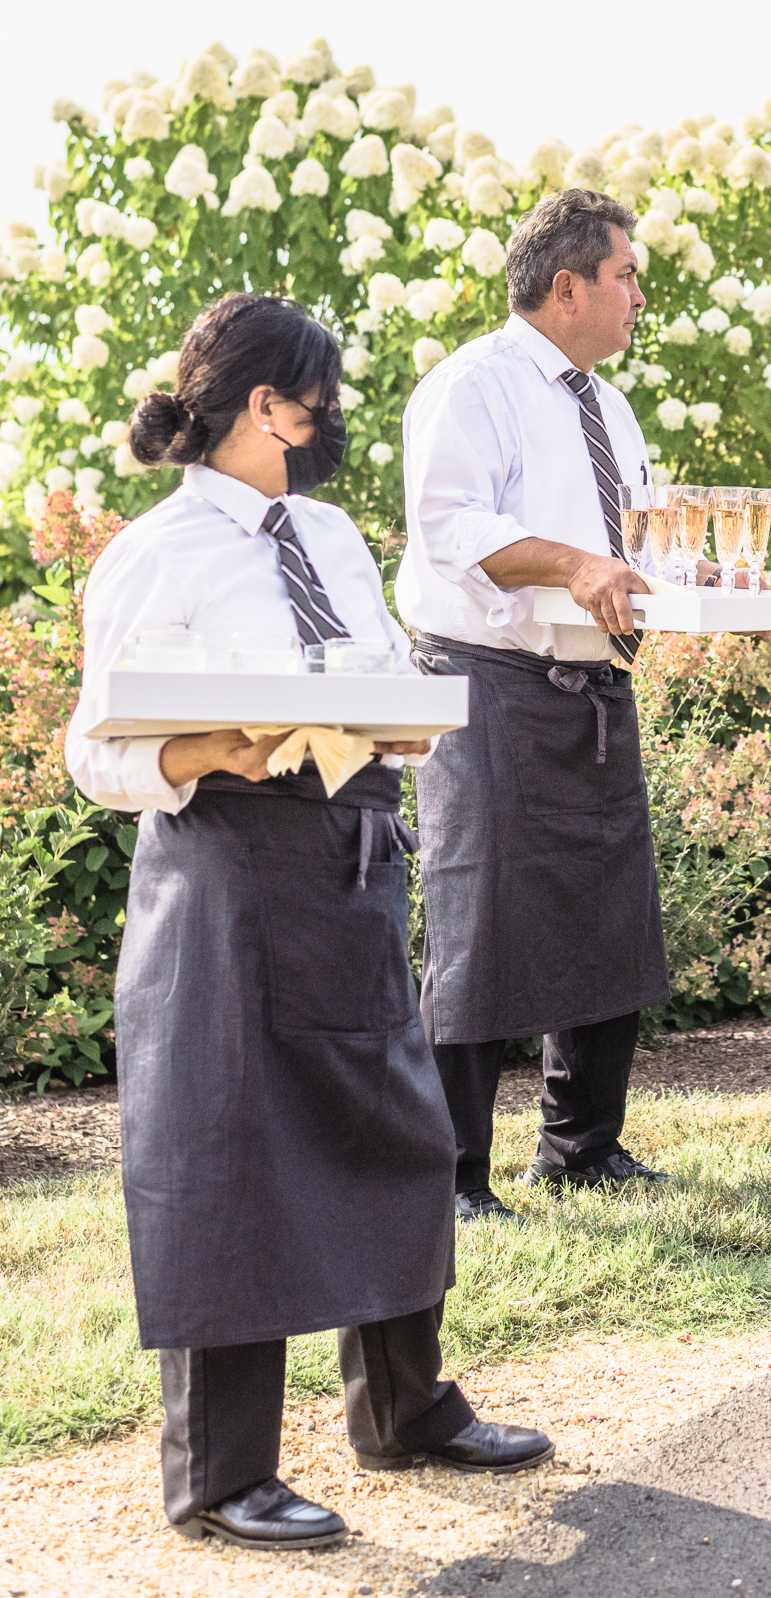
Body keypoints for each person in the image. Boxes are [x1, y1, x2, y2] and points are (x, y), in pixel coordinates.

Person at [65, 293, 552, 1554]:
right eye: (313, 397)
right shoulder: (155, 554)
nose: (327, 417)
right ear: (254, 402)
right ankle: (222, 1474)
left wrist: (398, 714)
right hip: (224, 875)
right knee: (227, 1158)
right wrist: (200, 746)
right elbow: (91, 750)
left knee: (392, 1125)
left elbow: (379, 660)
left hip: (350, 856)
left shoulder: (329, 535)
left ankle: (404, 1405)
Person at [397, 189, 686, 1222]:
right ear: (567, 286)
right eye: (626, 276)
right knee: (482, 927)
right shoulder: (472, 384)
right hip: (487, 683)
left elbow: (631, 536)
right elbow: (447, 524)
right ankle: (453, 1173)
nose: (639, 297)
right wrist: (573, 561)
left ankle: (582, 1145)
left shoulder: (608, 404)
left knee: (609, 913)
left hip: (595, 685)